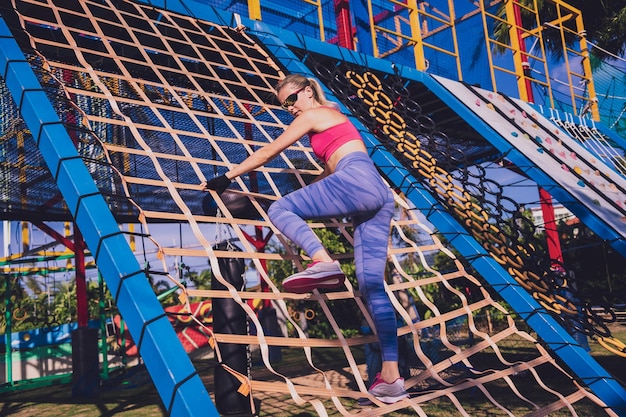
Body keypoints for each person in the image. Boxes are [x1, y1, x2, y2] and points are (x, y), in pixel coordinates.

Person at [203, 74, 408, 403]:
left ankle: (323, 262)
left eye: (291, 99)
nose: (289, 108)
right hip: (377, 191)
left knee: (280, 209)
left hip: (356, 180)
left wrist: (225, 177)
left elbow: (269, 151)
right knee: (372, 286)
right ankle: (391, 377)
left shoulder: (314, 114)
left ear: (308, 91)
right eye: (283, 105)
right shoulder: (335, 116)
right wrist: (308, 190)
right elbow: (328, 172)